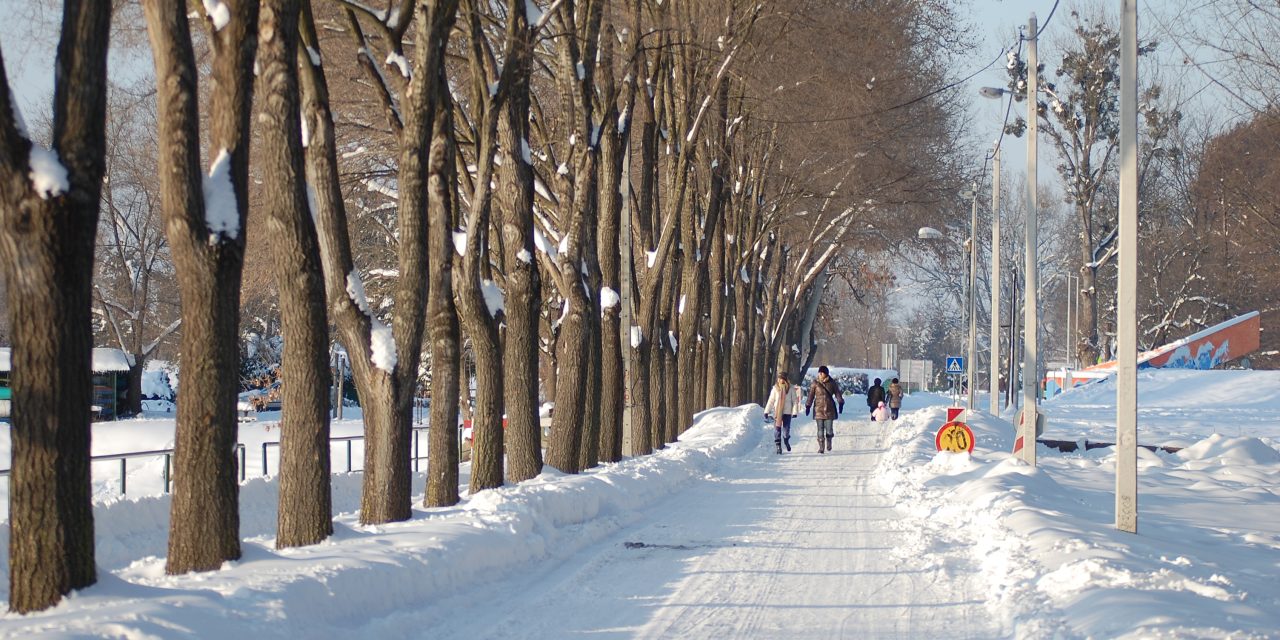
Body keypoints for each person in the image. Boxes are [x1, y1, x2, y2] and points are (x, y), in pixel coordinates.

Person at [805, 365, 844, 453]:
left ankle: (829, 441)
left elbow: (838, 394)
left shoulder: (832, 383)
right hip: (818, 409)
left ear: (826, 374)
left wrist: (840, 402)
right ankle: (821, 447)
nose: (820, 374)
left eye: (822, 372)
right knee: (820, 429)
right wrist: (808, 405)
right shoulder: (815, 383)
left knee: (829, 429)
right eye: (819, 372)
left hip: (829, 409)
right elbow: (810, 396)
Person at [764, 373, 804, 454]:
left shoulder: (791, 389)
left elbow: (795, 401)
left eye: (782, 379)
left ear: (785, 380)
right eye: (779, 379)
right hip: (778, 412)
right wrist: (766, 411)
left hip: (787, 413)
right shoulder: (775, 389)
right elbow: (771, 401)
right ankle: (778, 446)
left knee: (786, 431)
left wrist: (795, 412)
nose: (780, 380)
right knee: (777, 429)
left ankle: (786, 440)